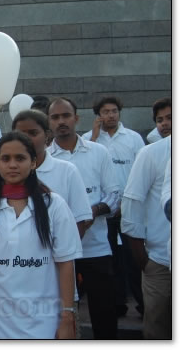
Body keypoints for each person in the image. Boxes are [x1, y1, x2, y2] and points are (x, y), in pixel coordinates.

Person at [0, 131, 82, 339]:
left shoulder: (53, 204)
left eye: (20, 158)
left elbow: (66, 263)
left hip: (43, 321)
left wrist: (67, 317)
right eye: (6, 159)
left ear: (33, 163)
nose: (12, 165)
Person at [12, 109, 93, 337]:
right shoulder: (1, 176)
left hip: (57, 285)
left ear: (47, 136)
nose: (27, 138)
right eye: (21, 133)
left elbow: (79, 222)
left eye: (33, 132)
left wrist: (52, 258)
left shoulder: (66, 170)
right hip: (15, 287)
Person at [47, 97, 119, 339]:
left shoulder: (98, 152)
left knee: (104, 314)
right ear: (49, 122)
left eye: (65, 116)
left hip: (95, 249)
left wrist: (91, 213)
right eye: (55, 117)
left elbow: (114, 194)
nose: (61, 121)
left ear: (76, 118)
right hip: (59, 254)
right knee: (64, 314)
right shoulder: (45, 160)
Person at [82, 96, 145, 317]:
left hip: (128, 207)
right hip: (102, 211)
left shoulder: (134, 138)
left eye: (114, 111)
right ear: (98, 115)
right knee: (110, 260)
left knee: (134, 257)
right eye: (106, 112)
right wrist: (95, 136)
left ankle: (143, 304)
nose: (110, 115)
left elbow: (141, 171)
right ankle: (117, 303)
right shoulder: (88, 140)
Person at [121, 135, 171, 339]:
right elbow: (132, 204)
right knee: (159, 330)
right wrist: (144, 261)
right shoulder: (152, 153)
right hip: (161, 262)